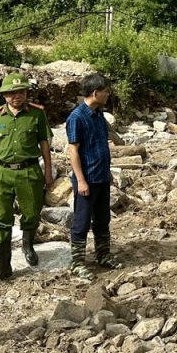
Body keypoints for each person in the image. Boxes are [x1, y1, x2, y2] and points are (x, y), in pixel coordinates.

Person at [0, 72, 53, 280]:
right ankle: (4, 262)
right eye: (11, 93)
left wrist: (47, 173)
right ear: (4, 95)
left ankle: (28, 245)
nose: (16, 96)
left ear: (26, 93)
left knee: (32, 212)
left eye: (21, 92)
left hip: (29, 171)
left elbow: (45, 145)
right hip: (2, 173)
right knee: (2, 219)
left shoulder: (37, 114)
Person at [66, 73, 117, 281]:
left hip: (102, 177)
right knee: (81, 222)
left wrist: (109, 172)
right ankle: (77, 263)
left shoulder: (99, 115)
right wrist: (81, 180)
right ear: (95, 93)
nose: (108, 95)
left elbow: (101, 146)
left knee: (103, 219)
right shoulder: (77, 117)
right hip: (87, 179)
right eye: (105, 92)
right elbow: (73, 151)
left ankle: (103, 255)